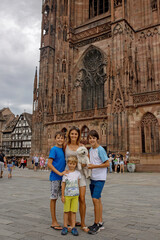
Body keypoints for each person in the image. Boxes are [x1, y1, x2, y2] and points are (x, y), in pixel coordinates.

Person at [65, 126, 88, 232]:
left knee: (82, 198)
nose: (73, 135)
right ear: (69, 134)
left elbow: (86, 158)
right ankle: (70, 222)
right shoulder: (65, 146)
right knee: (70, 197)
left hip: (80, 174)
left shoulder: (81, 146)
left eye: (75, 134)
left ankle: (83, 223)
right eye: (72, 133)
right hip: (69, 175)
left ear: (78, 135)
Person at [87, 130, 109, 235]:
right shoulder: (91, 150)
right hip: (93, 178)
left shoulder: (100, 150)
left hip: (100, 178)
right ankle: (100, 222)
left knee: (95, 199)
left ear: (97, 139)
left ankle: (96, 224)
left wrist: (94, 166)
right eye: (90, 138)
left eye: (93, 138)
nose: (91, 140)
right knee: (98, 200)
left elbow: (107, 163)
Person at [47, 131, 66, 230]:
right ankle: (54, 221)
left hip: (63, 178)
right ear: (55, 139)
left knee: (66, 198)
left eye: (62, 138)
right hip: (55, 177)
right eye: (58, 138)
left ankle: (69, 220)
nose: (60, 140)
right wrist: (58, 173)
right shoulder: (53, 149)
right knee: (54, 198)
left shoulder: (64, 149)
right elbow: (49, 163)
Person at [61, 156, 81, 236]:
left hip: (75, 196)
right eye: (70, 163)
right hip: (67, 196)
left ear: (76, 164)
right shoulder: (65, 174)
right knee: (66, 211)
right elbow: (63, 185)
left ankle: (73, 227)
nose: (71, 165)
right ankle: (65, 226)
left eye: (73, 164)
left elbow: (78, 184)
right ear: (68, 164)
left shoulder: (78, 173)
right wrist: (62, 195)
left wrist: (78, 193)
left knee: (73, 212)